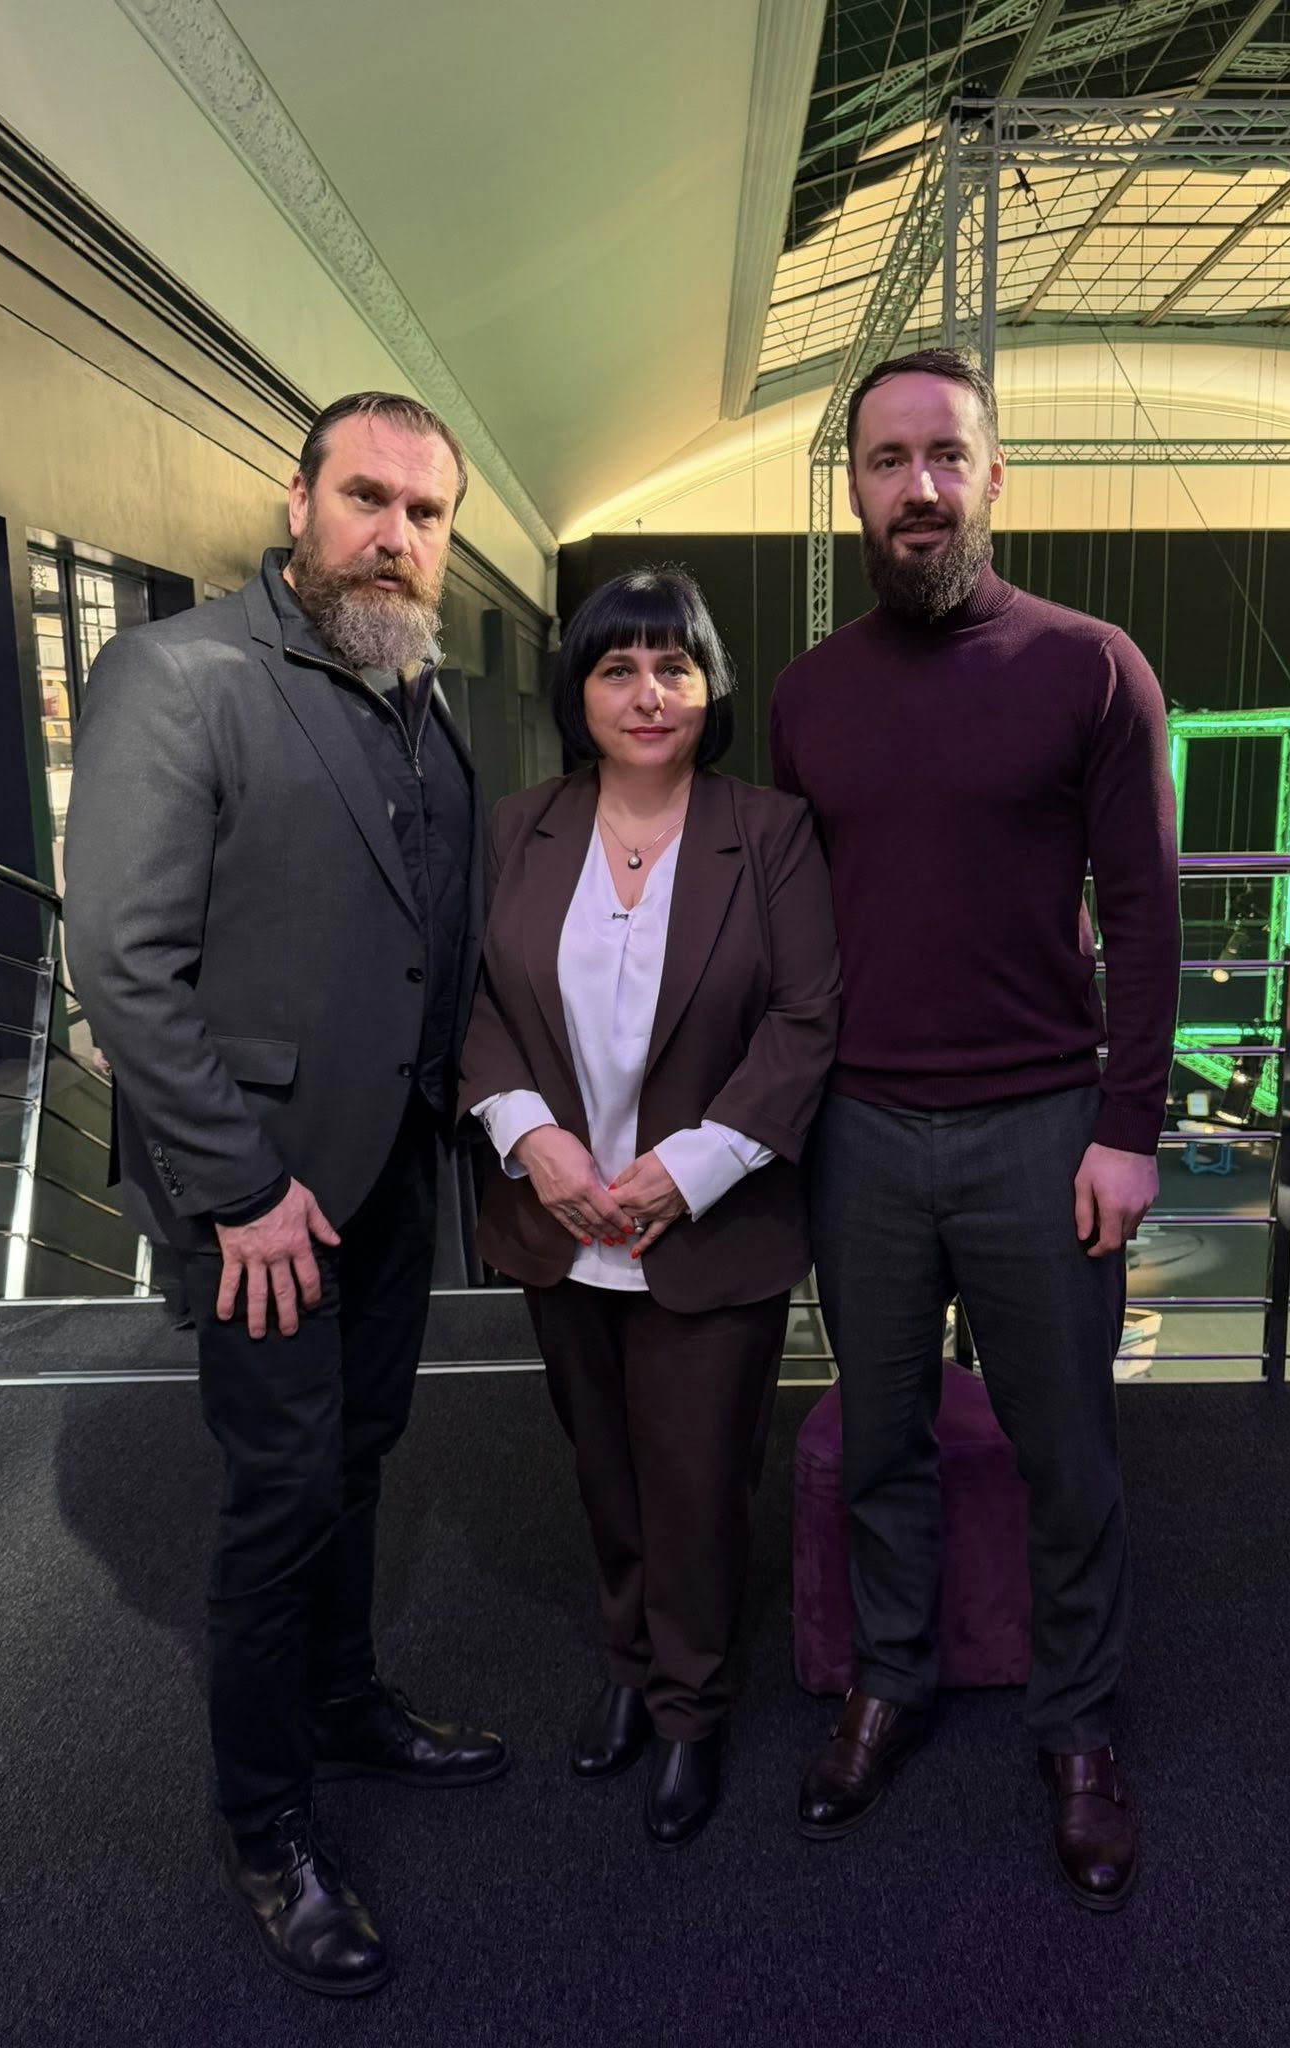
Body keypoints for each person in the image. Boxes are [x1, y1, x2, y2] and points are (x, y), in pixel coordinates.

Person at [64, 392, 507, 1996]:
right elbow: (121, 961)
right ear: (298, 501)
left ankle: (342, 1702)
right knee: (278, 1497)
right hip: (259, 1195)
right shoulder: (178, 674)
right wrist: (241, 1189)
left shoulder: (415, 691)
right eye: (367, 498)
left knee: (360, 1456)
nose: (396, 535)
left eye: (425, 514)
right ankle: (266, 1826)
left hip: (387, 1169)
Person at [771, 348, 1180, 1910]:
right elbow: (788, 926)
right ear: (856, 489)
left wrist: (1128, 1125)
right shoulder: (808, 697)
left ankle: (1076, 1728)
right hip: (862, 1135)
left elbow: (1144, 915)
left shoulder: (1091, 668)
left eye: (947, 455)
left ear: (995, 476)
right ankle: (890, 1681)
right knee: (880, 1441)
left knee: (1068, 1452)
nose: (920, 486)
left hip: (1043, 1130)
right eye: (888, 460)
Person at [461, 567, 839, 1848]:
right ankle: (630, 1662)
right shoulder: (519, 826)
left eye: (673, 666)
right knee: (604, 1467)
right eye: (617, 667)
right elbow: (474, 1002)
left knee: (697, 1479)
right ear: (578, 689)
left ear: (708, 684)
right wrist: (533, 1139)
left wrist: (695, 1165)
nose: (647, 692)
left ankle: (690, 1704)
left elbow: (806, 1020)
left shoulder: (769, 831)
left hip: (707, 1221)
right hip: (563, 1222)